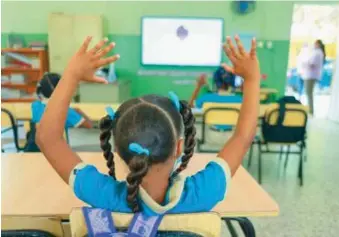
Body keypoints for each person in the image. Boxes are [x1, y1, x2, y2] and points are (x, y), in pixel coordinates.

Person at [36, 35, 260, 217]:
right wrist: (251, 80)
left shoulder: (102, 196)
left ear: (117, 151)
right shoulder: (204, 193)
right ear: (179, 147)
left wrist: (71, 75)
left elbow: (47, 138)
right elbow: (242, 138)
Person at [24, 72, 93, 152]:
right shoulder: (66, 112)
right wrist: (79, 111)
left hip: (35, 151)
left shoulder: (35, 106)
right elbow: (89, 124)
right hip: (58, 153)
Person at [299, 39, 326, 115]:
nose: (314, 45)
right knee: (308, 93)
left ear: (318, 44)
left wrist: (305, 63)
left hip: (311, 75)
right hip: (311, 75)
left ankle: (311, 111)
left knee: (309, 93)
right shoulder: (318, 52)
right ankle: (310, 110)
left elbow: (312, 63)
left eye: (315, 44)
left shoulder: (317, 53)